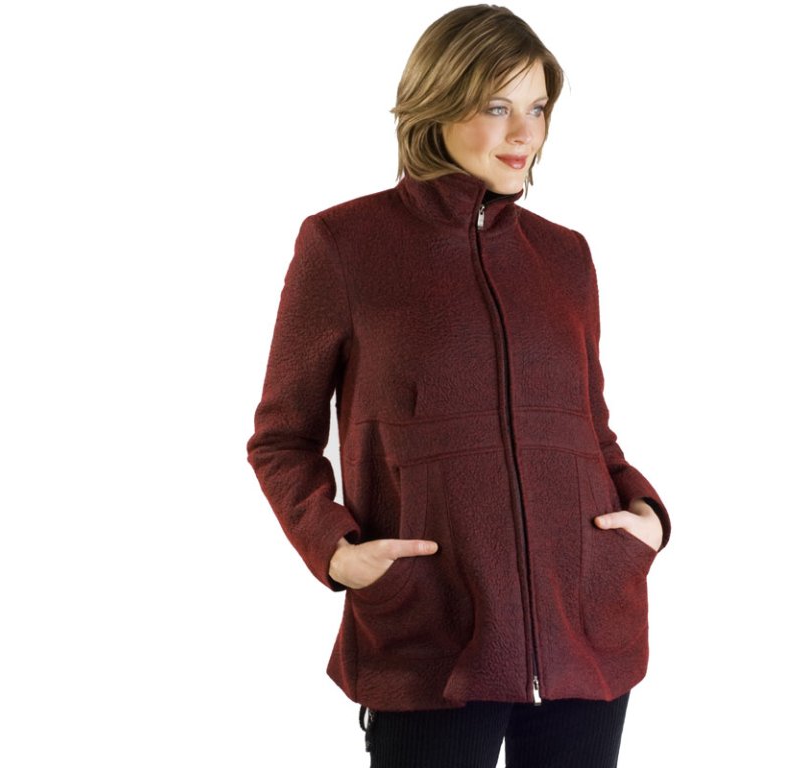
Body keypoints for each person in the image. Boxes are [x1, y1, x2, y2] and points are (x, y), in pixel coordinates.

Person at [246, 5, 671, 766]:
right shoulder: (343, 244)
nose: (525, 133)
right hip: (430, 633)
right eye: (497, 107)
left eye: (538, 107)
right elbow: (281, 438)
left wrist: (645, 517)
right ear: (437, 103)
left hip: (583, 625)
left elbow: (590, 427)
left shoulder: (565, 256)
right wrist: (335, 550)